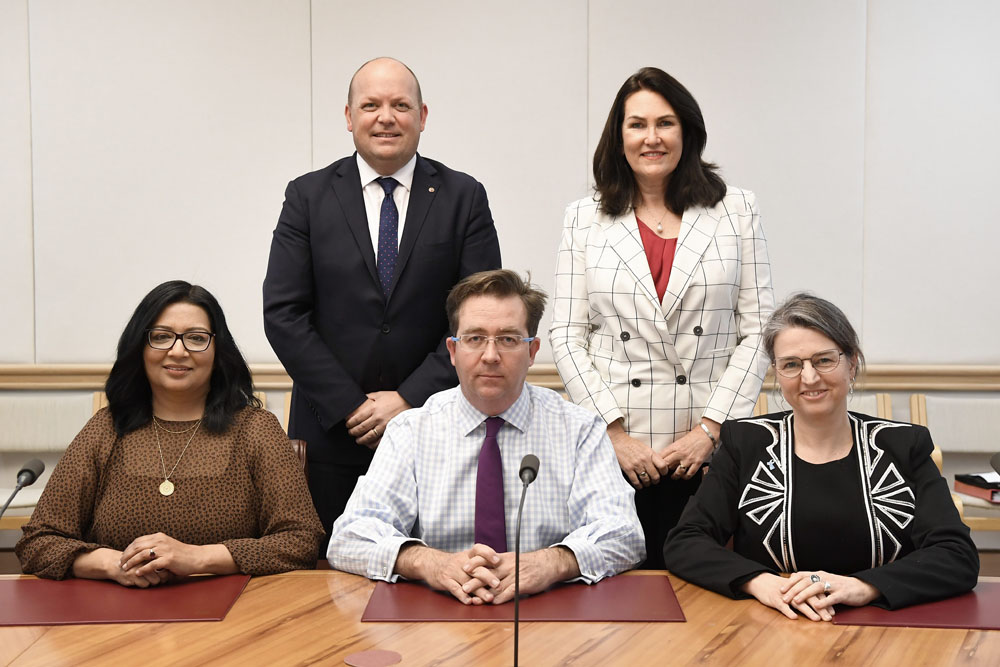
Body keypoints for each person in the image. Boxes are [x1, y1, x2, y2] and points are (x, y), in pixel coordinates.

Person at [263, 57, 501, 555]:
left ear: (423, 115)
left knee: (438, 578)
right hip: (331, 435)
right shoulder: (307, 197)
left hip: (436, 429)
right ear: (349, 116)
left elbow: (482, 318)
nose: (385, 117)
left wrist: (409, 398)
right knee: (327, 588)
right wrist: (351, 406)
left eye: (400, 105)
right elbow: (284, 314)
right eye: (370, 105)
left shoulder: (463, 197)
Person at [549, 66, 774, 568]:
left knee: (712, 599)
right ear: (619, 135)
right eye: (637, 124)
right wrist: (613, 434)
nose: (651, 137)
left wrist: (712, 429)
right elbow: (566, 334)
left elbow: (760, 329)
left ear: (687, 131)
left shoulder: (737, 210)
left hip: (710, 445)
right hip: (619, 451)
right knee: (618, 603)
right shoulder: (583, 217)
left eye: (665, 123)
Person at [328, 270, 644, 604]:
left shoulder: (579, 429)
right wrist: (428, 562)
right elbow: (350, 536)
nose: (490, 355)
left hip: (549, 612)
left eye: (508, 339)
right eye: (475, 338)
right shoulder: (411, 431)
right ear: (452, 351)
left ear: (533, 351)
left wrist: (551, 563)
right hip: (437, 616)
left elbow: (624, 534)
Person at [663, 293, 979, 619]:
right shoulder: (745, 443)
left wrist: (863, 586)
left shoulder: (901, 445)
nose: (809, 377)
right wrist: (761, 583)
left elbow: (957, 556)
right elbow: (686, 541)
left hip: (883, 627)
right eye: (791, 364)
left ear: (852, 363)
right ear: (776, 373)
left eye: (824, 360)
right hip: (769, 625)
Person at [16, 281, 323, 585]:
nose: (178, 351)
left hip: (234, 614)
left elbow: (301, 541)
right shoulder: (107, 428)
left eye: (196, 338)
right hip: (117, 616)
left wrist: (198, 558)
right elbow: (39, 541)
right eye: (161, 337)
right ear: (140, 347)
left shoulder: (256, 429)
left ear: (218, 350)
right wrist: (114, 563)